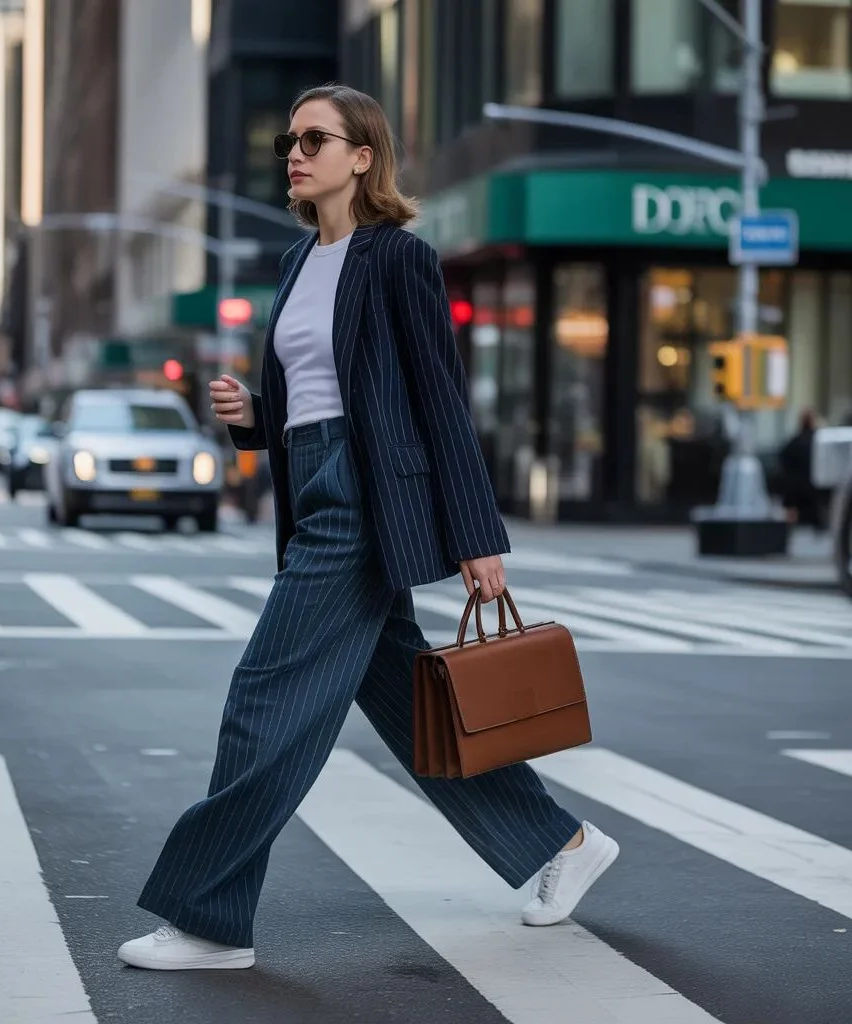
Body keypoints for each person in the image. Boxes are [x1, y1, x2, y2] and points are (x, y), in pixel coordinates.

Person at [117, 84, 618, 972]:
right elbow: (324, 400)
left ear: (363, 156)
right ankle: (559, 845)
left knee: (265, 696)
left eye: (316, 139)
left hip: (362, 497)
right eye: (289, 140)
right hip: (315, 478)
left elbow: (435, 401)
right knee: (405, 699)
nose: (295, 153)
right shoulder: (296, 262)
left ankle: (209, 919)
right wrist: (253, 416)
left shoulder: (399, 260)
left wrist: (476, 533)